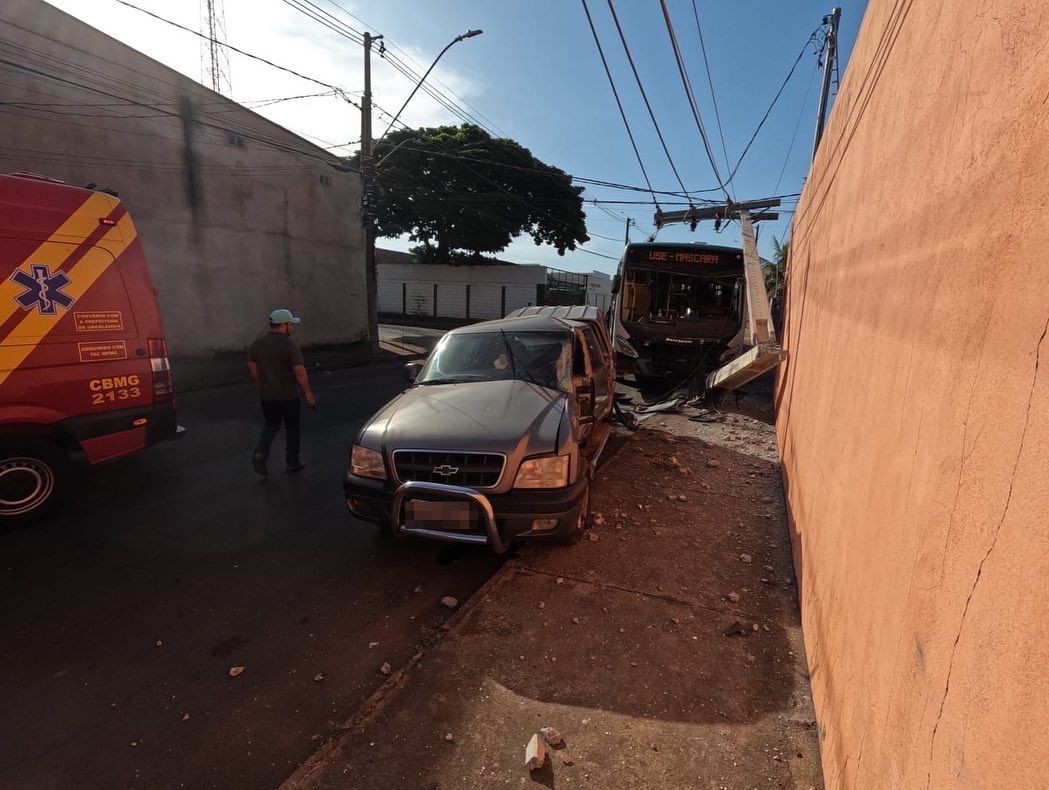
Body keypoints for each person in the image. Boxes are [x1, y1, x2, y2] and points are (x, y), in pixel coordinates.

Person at [247, 308, 316, 476]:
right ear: (283, 325)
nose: (292, 327)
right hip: (288, 396)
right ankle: (292, 462)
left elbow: (252, 366)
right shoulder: (290, 345)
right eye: (290, 324)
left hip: (267, 396)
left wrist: (263, 382)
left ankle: (260, 452)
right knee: (292, 428)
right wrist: (308, 393)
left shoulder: (257, 344)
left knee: (271, 424)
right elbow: (299, 371)